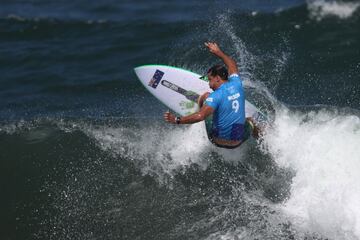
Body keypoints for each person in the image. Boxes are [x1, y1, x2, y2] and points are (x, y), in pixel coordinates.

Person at [164, 42, 257, 149]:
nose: (209, 84)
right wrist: (219, 52)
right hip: (237, 142)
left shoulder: (215, 96)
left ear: (217, 78)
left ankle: (200, 103)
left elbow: (200, 116)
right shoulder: (237, 83)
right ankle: (258, 137)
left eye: (210, 80)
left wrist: (176, 120)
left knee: (206, 96)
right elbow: (232, 64)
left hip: (217, 140)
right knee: (250, 121)